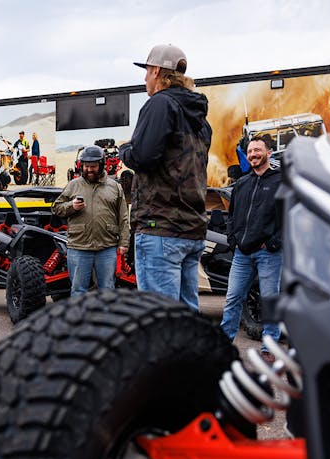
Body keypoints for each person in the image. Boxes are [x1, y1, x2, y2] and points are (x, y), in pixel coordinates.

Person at [119, 44, 212, 312]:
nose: (145, 78)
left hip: (161, 227)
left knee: (160, 319)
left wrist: (125, 150)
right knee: (185, 318)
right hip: (191, 229)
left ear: (158, 71)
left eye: (147, 71)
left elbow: (144, 156)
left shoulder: (159, 104)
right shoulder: (200, 119)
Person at [220, 137, 283, 349]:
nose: (253, 154)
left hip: (269, 254)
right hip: (242, 253)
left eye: (258, 150)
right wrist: (233, 240)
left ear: (269, 153)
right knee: (233, 298)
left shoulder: (280, 181)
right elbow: (232, 215)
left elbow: (290, 217)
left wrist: (274, 243)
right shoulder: (242, 183)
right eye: (250, 151)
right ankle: (222, 343)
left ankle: (270, 347)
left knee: (269, 301)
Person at [53, 145, 130, 297]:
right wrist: (71, 206)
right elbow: (57, 208)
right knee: (78, 290)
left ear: (101, 165)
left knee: (107, 289)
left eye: (93, 166)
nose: (89, 170)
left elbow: (123, 217)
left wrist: (124, 243)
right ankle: (80, 320)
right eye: (86, 166)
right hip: (79, 247)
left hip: (107, 247)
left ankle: (103, 320)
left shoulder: (115, 187)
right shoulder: (73, 185)